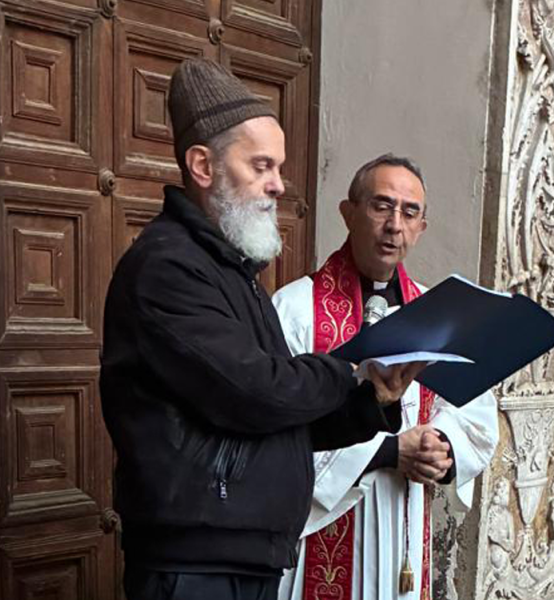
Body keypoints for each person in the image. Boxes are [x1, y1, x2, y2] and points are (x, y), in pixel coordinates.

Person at [100, 60, 428, 600]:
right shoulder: (169, 268)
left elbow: (279, 422)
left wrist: (371, 402)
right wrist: (346, 367)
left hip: (236, 553)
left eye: (278, 167)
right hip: (196, 561)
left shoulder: (229, 270)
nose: (278, 185)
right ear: (203, 166)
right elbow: (253, 392)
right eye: (261, 166)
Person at [273, 154, 500, 600]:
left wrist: (443, 447)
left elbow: (474, 413)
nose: (394, 225)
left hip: (404, 524)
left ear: (421, 228)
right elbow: (275, 427)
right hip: (322, 524)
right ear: (348, 212)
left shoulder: (438, 315)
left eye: (409, 212)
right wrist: (388, 451)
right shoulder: (295, 308)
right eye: (381, 206)